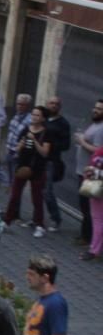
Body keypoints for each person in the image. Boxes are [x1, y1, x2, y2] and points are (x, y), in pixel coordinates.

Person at [3, 105, 53, 237]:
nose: (34, 117)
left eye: (37, 115)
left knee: (36, 198)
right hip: (23, 167)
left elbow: (45, 153)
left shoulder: (46, 132)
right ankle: (7, 221)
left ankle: (39, 225)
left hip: (37, 169)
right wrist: (21, 145)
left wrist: (34, 140)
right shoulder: (25, 129)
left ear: (43, 118)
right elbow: (18, 149)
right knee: (15, 195)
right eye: (33, 114)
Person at [74, 100, 103, 245]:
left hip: (91, 175)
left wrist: (82, 142)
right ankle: (85, 235)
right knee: (84, 205)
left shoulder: (101, 129)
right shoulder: (94, 124)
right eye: (95, 107)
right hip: (83, 171)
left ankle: (88, 237)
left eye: (99, 109)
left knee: (88, 207)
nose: (95, 110)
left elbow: (97, 150)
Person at [43, 96, 71, 231]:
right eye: (51, 103)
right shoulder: (43, 120)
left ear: (59, 107)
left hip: (51, 161)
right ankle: (37, 218)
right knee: (38, 190)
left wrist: (51, 144)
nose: (53, 105)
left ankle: (56, 219)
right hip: (38, 159)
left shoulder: (63, 124)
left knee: (47, 192)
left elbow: (66, 145)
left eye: (56, 104)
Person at [3, 93, 32, 189]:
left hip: (18, 154)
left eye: (22, 104)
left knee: (16, 181)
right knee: (10, 180)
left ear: (27, 106)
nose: (19, 106)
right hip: (9, 151)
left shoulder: (29, 120)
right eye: (18, 104)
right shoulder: (15, 116)